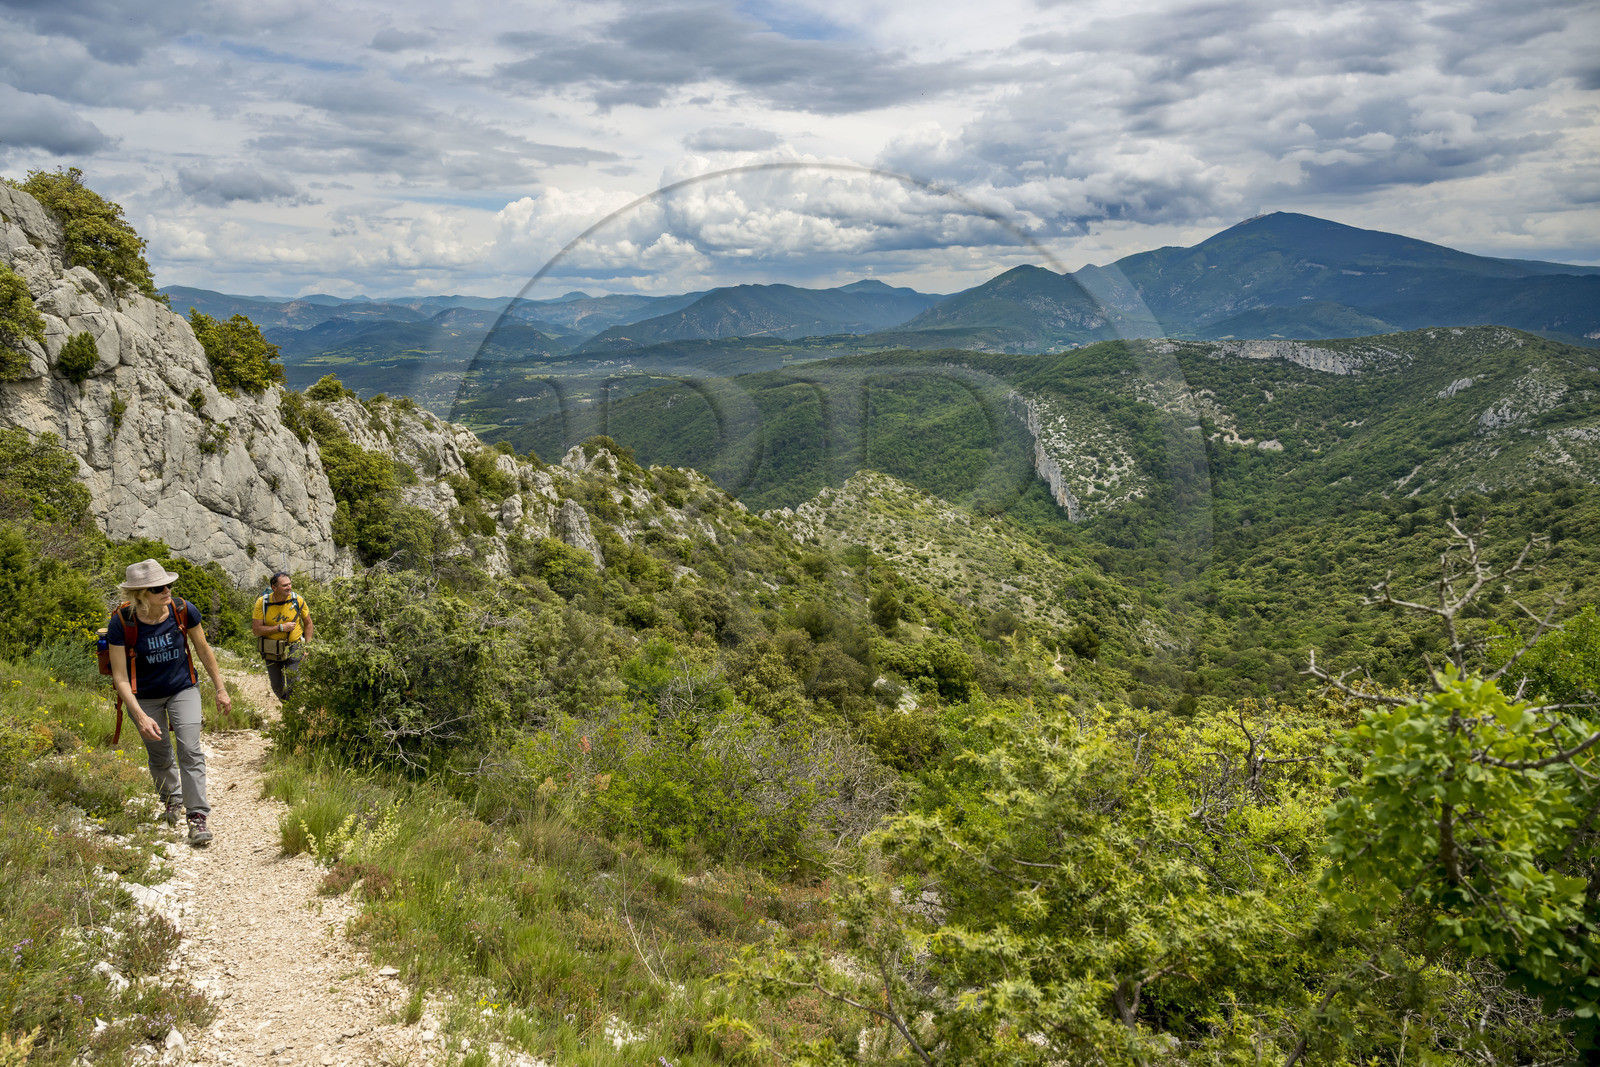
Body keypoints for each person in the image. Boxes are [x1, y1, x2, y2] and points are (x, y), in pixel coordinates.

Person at [106, 559, 231, 845]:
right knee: (159, 754)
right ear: (140, 595)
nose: (167, 591)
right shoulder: (121, 622)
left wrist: (220, 689)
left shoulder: (183, 610)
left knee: (190, 748)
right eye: (158, 588)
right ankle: (172, 799)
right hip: (144, 696)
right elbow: (120, 677)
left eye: (168, 585)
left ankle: (197, 817)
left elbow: (203, 650)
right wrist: (138, 715)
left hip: (182, 688)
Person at [251, 572, 313, 701]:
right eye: (285, 585)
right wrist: (280, 627)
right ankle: (287, 704)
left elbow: (308, 624)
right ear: (274, 588)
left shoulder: (297, 600)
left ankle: (292, 713)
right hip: (272, 649)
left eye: (290, 584)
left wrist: (308, 647)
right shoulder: (262, 603)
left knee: (294, 683)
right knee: (277, 686)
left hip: (295, 646)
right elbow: (256, 630)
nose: (289, 587)